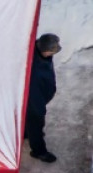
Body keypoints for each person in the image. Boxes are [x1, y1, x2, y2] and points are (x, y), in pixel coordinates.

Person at [26, 33, 61, 163]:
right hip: (35, 102)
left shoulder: (38, 51)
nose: (53, 54)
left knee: (29, 121)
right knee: (36, 124)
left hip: (39, 97)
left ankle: (26, 133)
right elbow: (34, 99)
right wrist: (40, 112)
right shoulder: (34, 71)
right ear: (45, 51)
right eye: (52, 51)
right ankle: (38, 151)